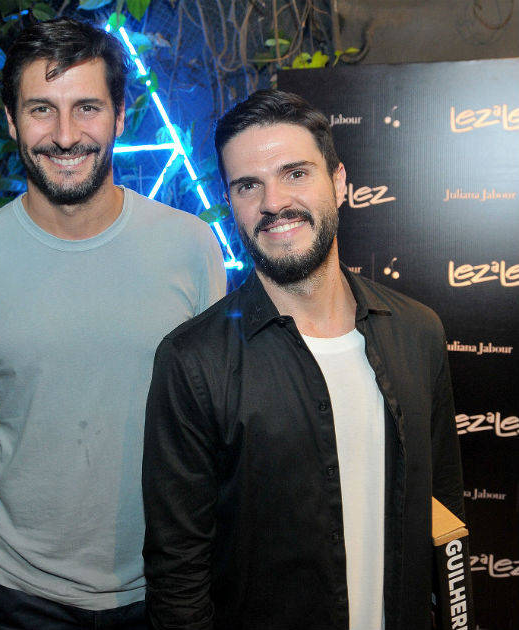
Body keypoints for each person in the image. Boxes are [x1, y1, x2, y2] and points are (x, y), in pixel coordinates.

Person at [0, 17, 226, 630]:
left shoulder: (191, 246)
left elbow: (212, 413)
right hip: (25, 591)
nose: (65, 136)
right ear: (11, 121)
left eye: (87, 107)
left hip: (170, 581)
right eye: (42, 109)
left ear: (120, 117)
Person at [142, 89, 465, 630]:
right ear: (230, 201)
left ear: (339, 183)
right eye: (248, 185)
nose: (273, 203)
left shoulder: (418, 332)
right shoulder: (192, 362)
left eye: (295, 173)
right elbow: (178, 574)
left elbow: (445, 513)